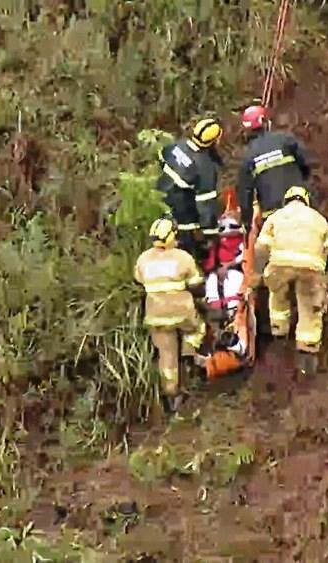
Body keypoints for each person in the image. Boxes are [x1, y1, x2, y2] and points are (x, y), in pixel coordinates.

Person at [253, 186, 328, 374]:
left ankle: (279, 333)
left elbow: (260, 249)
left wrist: (257, 275)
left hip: (280, 265)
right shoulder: (319, 219)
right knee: (310, 308)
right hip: (311, 269)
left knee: (277, 295)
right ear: (306, 200)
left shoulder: (276, 217)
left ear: (286, 200)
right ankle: (307, 352)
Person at [134, 217, 207, 411]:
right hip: (182, 313)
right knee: (197, 328)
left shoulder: (143, 259)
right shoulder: (182, 257)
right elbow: (197, 284)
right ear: (171, 236)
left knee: (166, 354)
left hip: (156, 316)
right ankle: (189, 354)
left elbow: (138, 280)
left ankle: (171, 394)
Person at [155, 117, 225, 259]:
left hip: (160, 208)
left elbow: (161, 160)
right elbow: (206, 205)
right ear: (214, 141)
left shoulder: (178, 146)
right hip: (184, 223)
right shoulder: (204, 167)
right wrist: (210, 234)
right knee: (184, 259)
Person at [236, 105, 312, 229]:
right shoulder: (286, 139)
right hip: (298, 208)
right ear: (266, 122)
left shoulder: (248, 157)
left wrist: (246, 222)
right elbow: (306, 162)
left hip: (272, 217)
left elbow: (245, 194)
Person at [202, 212, 247, 320]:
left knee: (234, 280)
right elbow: (211, 258)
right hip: (217, 269)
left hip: (236, 270)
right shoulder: (217, 243)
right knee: (211, 281)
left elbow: (244, 254)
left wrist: (229, 265)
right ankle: (214, 308)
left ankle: (233, 310)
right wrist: (216, 269)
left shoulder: (242, 241)